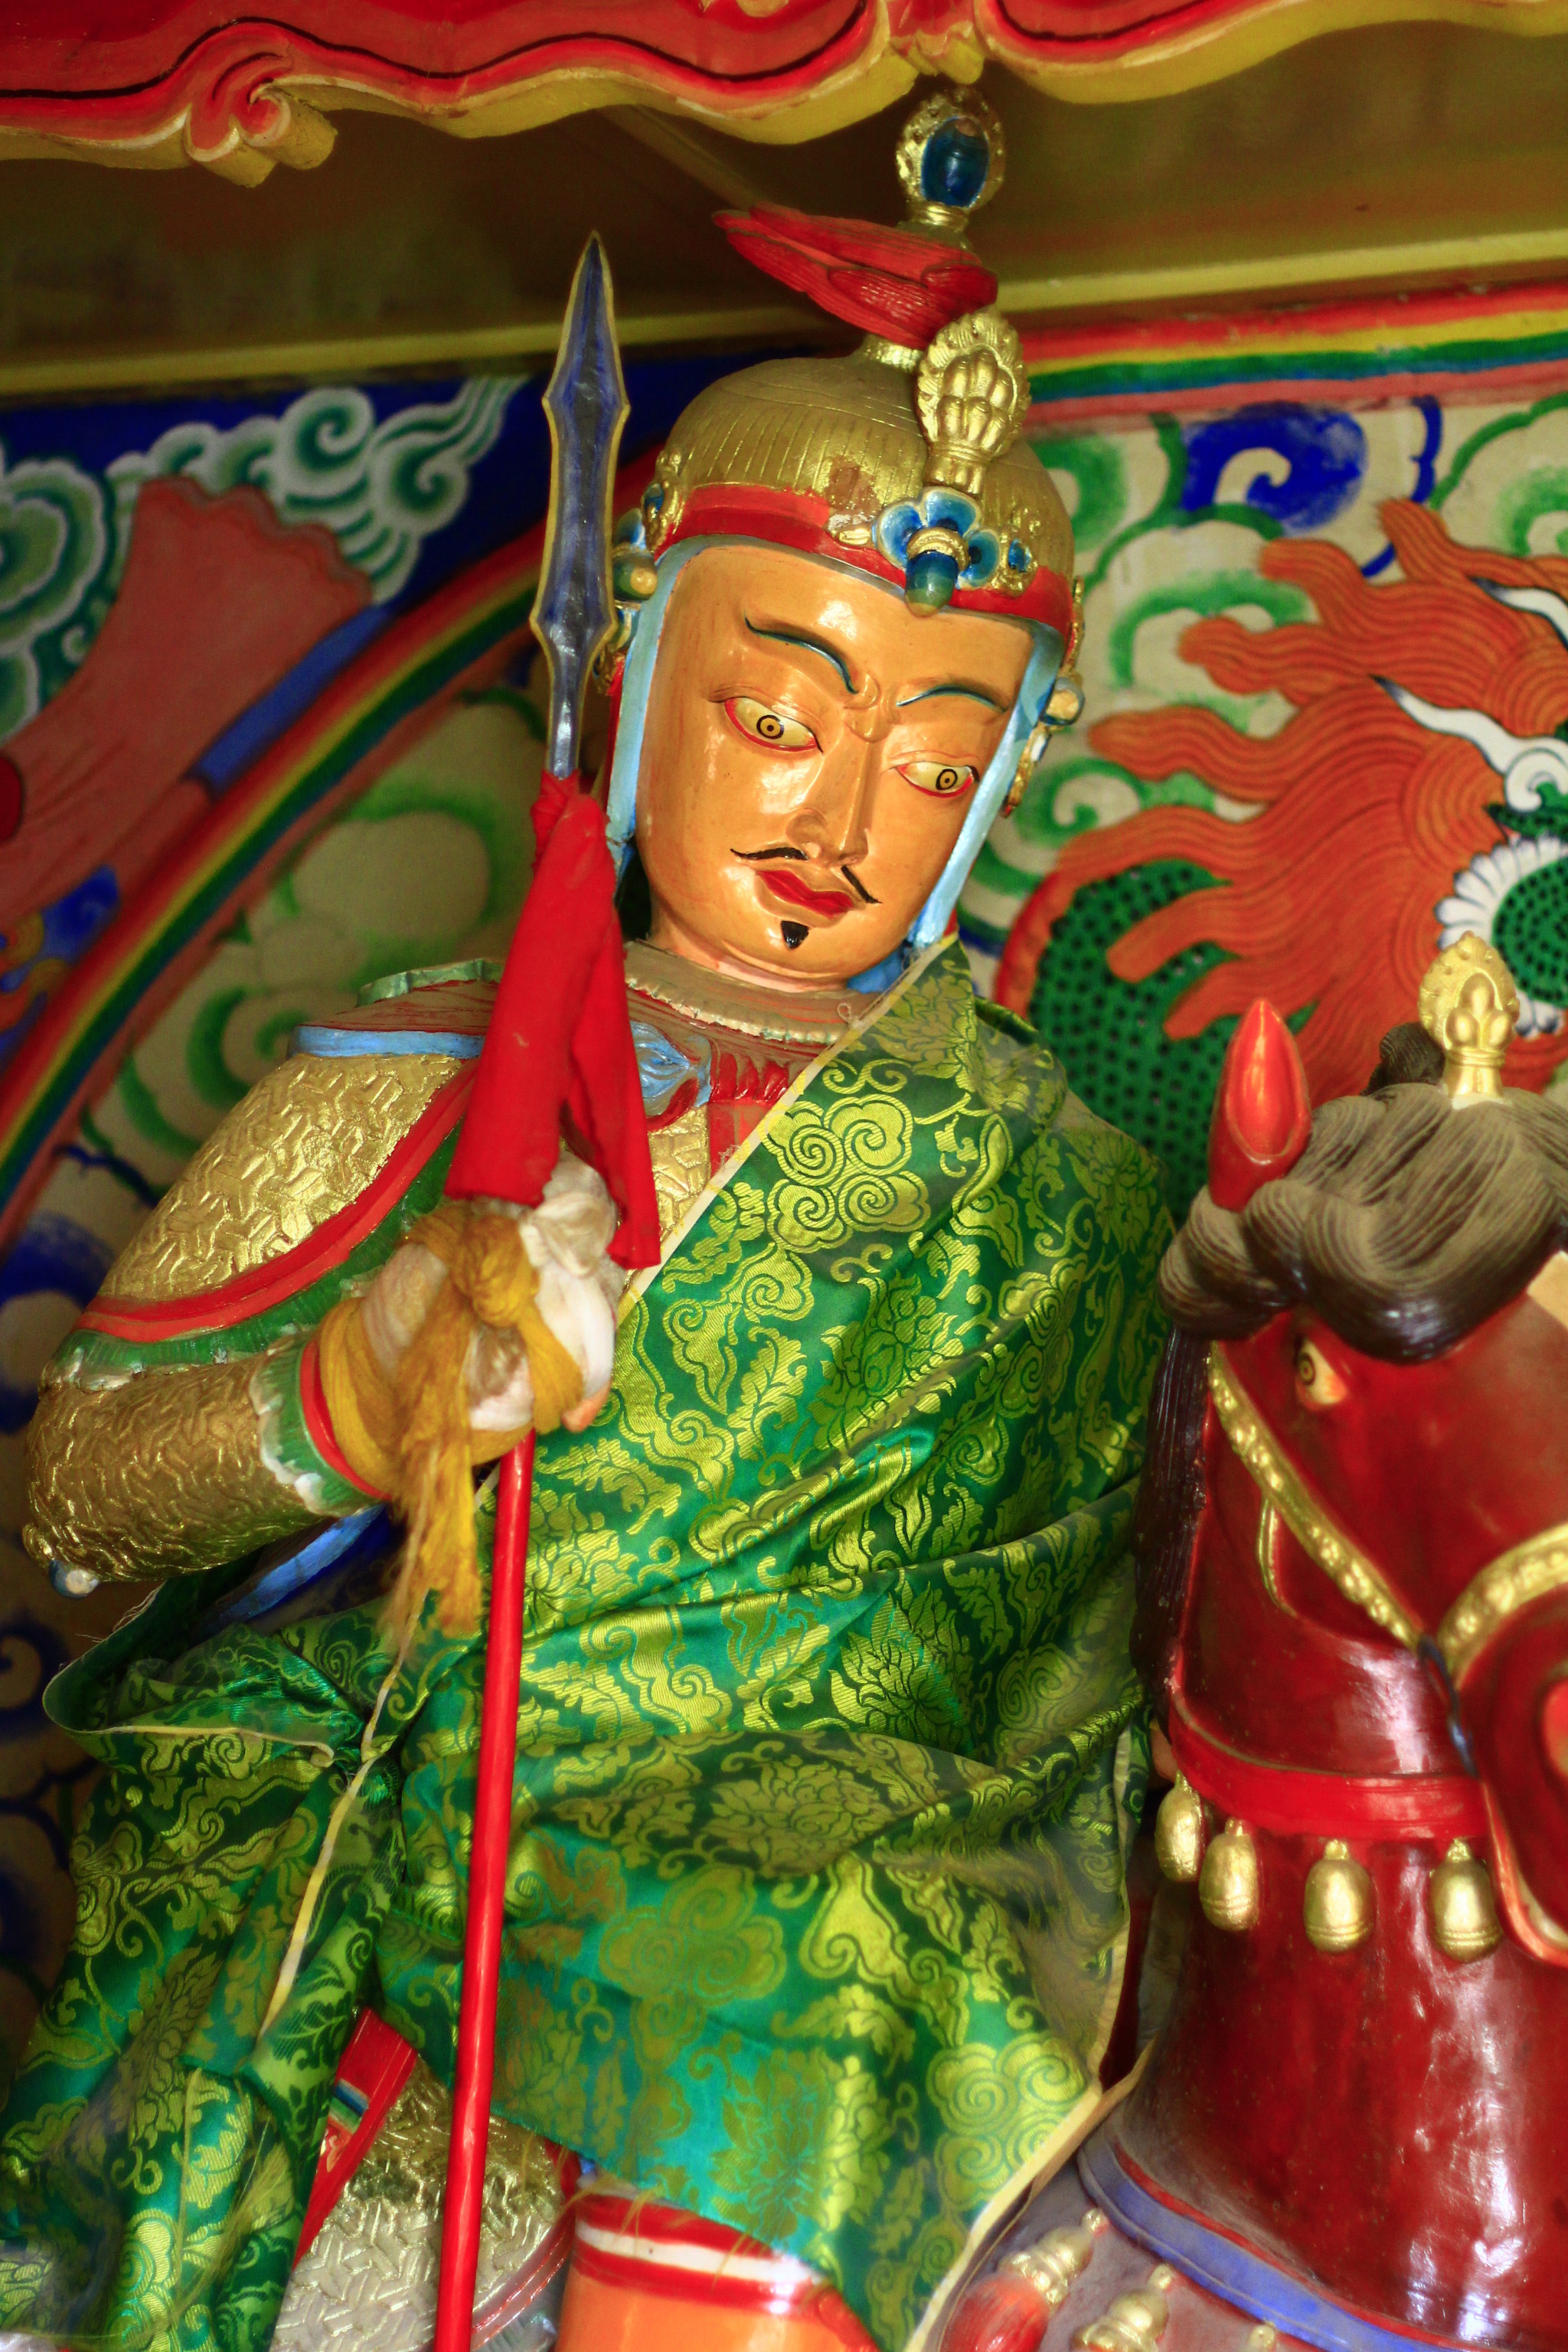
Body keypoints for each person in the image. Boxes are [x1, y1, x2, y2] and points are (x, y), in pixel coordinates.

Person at [0, 89, 1168, 2352]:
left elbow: (1091, 1630)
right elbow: (76, 1492)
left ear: (1008, 777)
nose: (850, 814)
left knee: (862, 1949)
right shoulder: (425, 1067)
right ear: (635, 672)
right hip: (425, 1808)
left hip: (856, 1846)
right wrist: (351, 1410)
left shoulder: (1057, 1171)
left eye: (938, 761)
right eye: (779, 714)